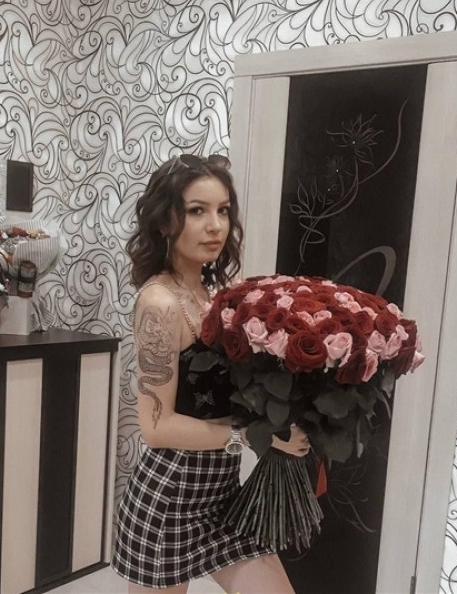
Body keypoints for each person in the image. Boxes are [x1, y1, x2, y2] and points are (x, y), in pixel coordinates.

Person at [111, 154, 310, 594]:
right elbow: (156, 428)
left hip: (222, 495)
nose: (215, 226)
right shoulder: (160, 304)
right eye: (197, 210)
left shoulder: (213, 295)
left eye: (223, 211)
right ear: (166, 221)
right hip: (168, 499)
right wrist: (252, 438)